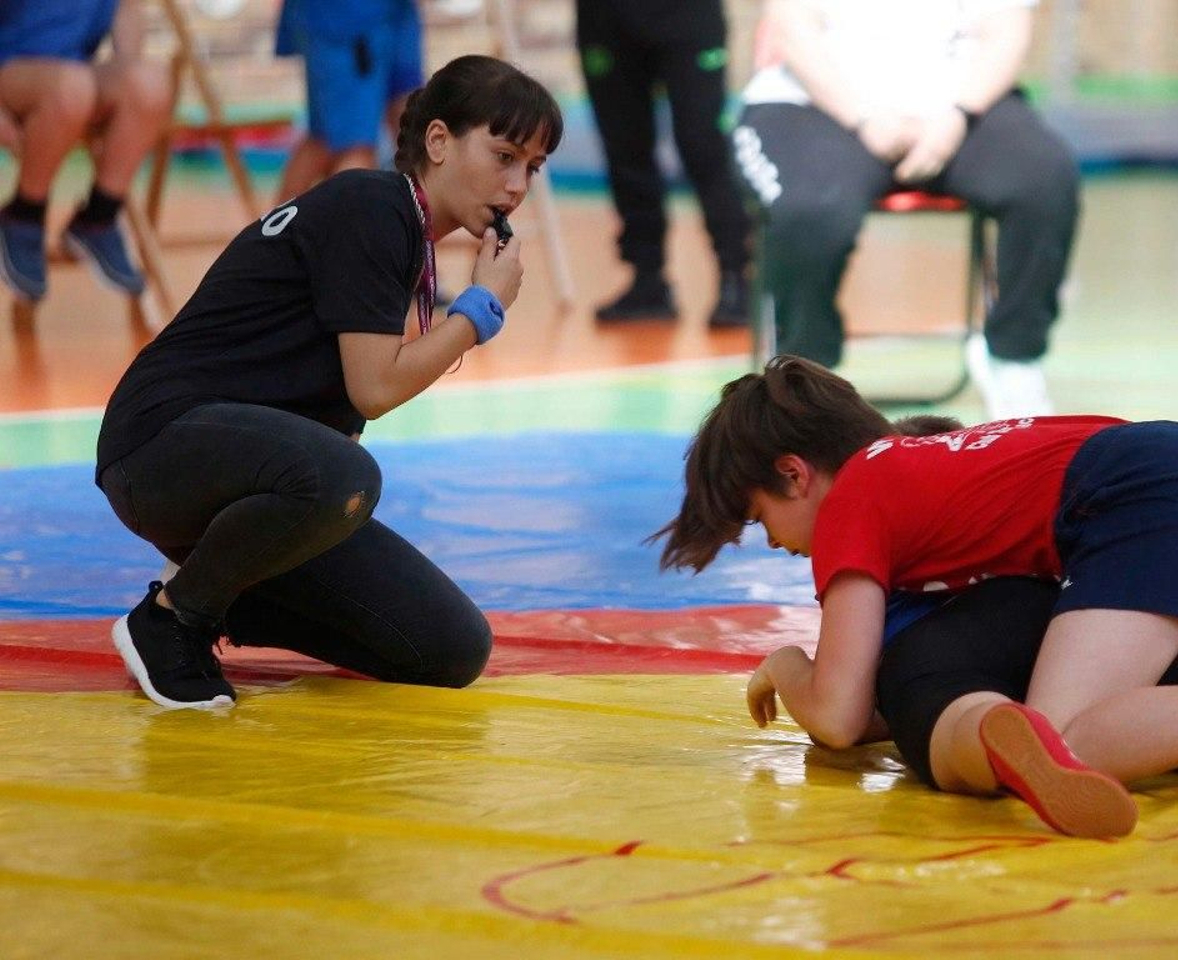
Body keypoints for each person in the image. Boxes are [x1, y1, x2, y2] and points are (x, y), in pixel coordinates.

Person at [656, 357, 1178, 837]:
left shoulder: (856, 499)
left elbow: (842, 713)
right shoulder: (930, 462)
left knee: (1070, 734)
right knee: (1172, 694)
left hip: (1143, 494)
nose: (778, 542)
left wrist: (786, 660)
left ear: (795, 473)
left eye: (763, 520)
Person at [94, 55, 562, 709]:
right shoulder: (375, 207)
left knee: (450, 648)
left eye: (532, 168)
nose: (517, 185)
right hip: (159, 442)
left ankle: (222, 588)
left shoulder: (403, 232)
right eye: (505, 155)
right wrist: (480, 311)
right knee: (346, 476)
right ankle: (173, 620)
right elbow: (374, 389)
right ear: (438, 141)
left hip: (236, 468)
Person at [734, 0, 1079, 419]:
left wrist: (958, 117)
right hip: (813, 104)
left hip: (956, 107)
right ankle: (806, 372)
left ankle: (1014, 357)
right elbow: (793, 30)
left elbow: (1007, 29)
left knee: (1044, 181)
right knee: (811, 208)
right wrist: (864, 120)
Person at [576, 0, 750, 327]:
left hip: (688, 15)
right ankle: (647, 278)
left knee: (703, 143)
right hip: (605, 17)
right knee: (624, 144)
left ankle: (736, 275)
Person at [0, 0, 171, 301]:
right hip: (11, 69)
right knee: (73, 88)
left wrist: (126, 93)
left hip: (75, 73)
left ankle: (99, 217)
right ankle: (23, 216)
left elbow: (127, 8)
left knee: (150, 82)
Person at [273, 0, 425, 202]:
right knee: (352, 146)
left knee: (410, 122)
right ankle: (281, 230)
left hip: (393, 13)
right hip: (347, 22)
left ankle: (417, 226)